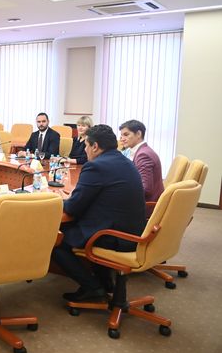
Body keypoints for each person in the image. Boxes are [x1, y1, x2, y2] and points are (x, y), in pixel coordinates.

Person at [51, 124, 146, 302]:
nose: (85, 149)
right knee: (73, 226)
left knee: (54, 238)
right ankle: (105, 282)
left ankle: (93, 288)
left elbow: (72, 208)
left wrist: (55, 201)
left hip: (115, 235)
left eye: (86, 145)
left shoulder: (96, 166)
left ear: (95, 146)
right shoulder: (124, 161)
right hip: (135, 231)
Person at [119, 119, 165, 202]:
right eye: (121, 136)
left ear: (138, 134)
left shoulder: (143, 155)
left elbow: (145, 189)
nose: (122, 139)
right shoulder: (142, 150)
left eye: (126, 135)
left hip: (147, 204)